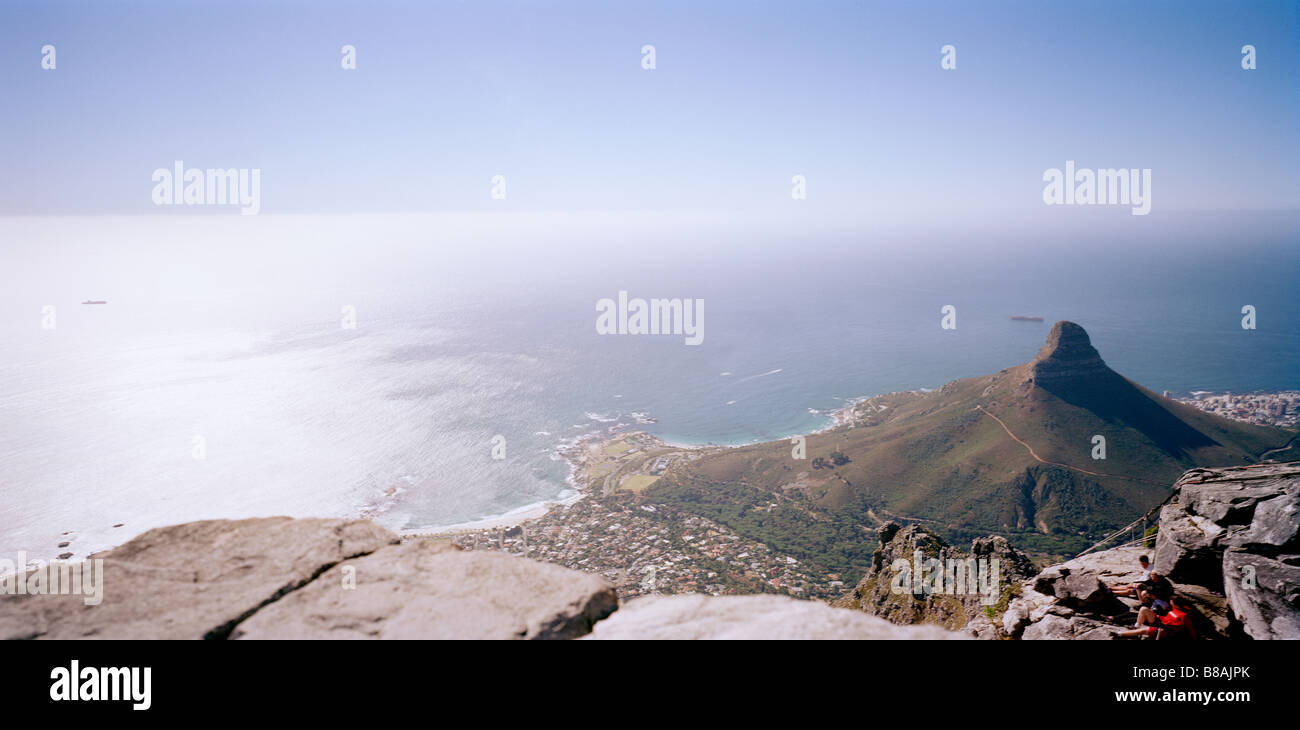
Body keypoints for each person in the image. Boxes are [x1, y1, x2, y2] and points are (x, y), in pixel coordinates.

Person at [1117, 594, 1195, 639]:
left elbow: (1190, 628)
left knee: (1143, 631)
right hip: (1159, 620)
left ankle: (1119, 634)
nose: (1170, 603)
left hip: (1165, 629)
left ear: (1175, 604)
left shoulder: (1184, 615)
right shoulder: (1174, 608)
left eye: (1171, 602)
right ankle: (1136, 626)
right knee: (1143, 609)